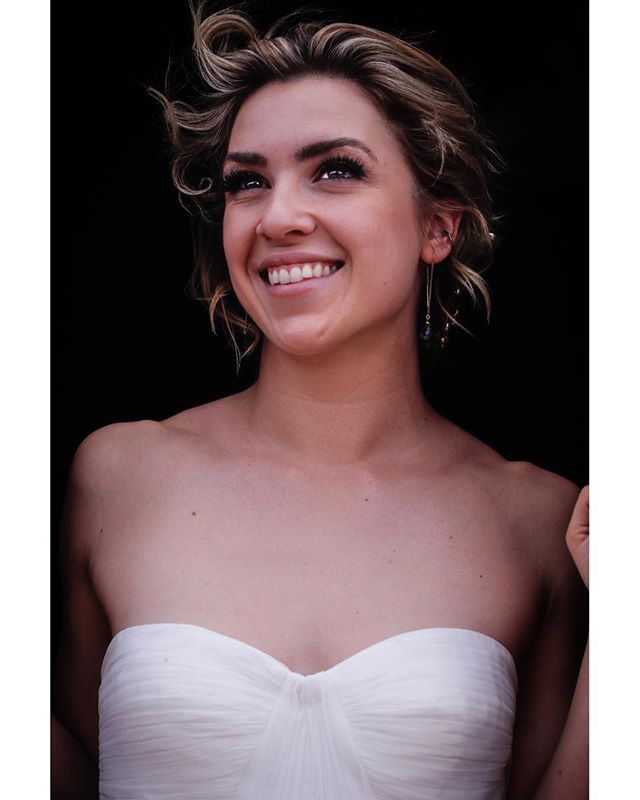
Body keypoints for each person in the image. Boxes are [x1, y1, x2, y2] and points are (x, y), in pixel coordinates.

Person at [52, 4, 588, 798]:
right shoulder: (117, 476)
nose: (279, 217)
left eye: (335, 169)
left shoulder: (539, 519)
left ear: (436, 225)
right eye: (247, 183)